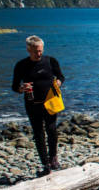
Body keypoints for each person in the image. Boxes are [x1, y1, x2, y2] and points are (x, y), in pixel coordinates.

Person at [11, 35, 65, 176]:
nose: (38, 54)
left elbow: (61, 76)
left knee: (52, 130)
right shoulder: (21, 65)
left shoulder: (51, 61)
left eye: (40, 50)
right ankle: (45, 163)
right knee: (38, 133)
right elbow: (14, 86)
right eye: (35, 51)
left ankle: (53, 158)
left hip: (50, 102)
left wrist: (58, 82)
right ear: (29, 50)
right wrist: (21, 88)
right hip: (32, 104)